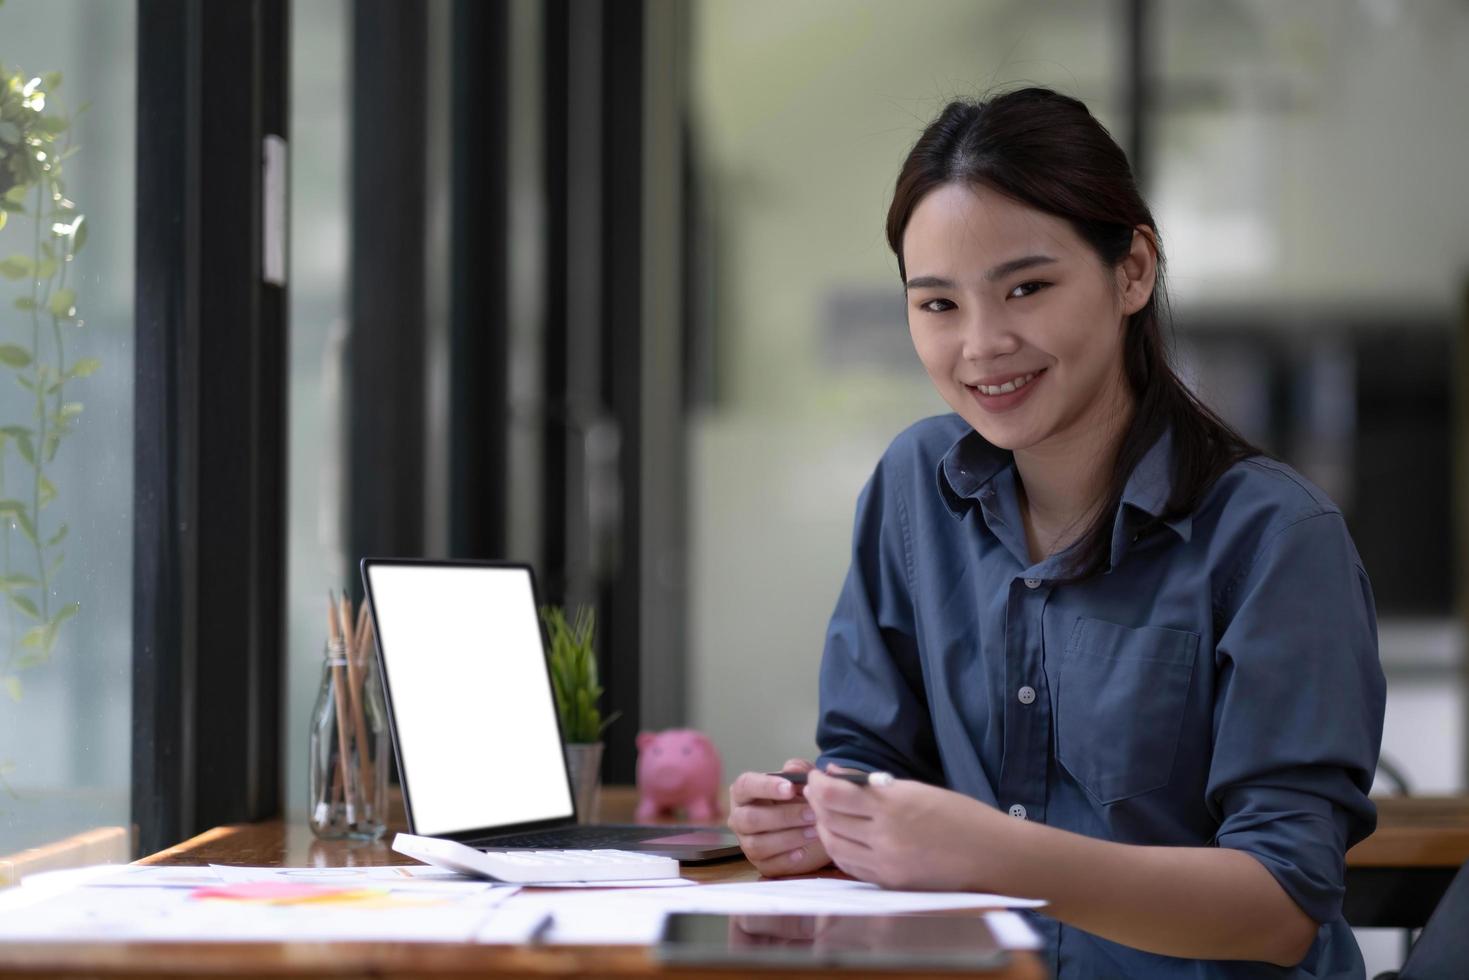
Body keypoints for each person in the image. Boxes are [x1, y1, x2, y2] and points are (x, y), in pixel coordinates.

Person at [726, 87, 1385, 979]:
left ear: (1132, 273)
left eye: (1026, 288)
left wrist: (993, 854)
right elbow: (871, 759)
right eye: (937, 305)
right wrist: (817, 822)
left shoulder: (1274, 539)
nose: (982, 344)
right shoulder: (912, 489)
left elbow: (1279, 909)